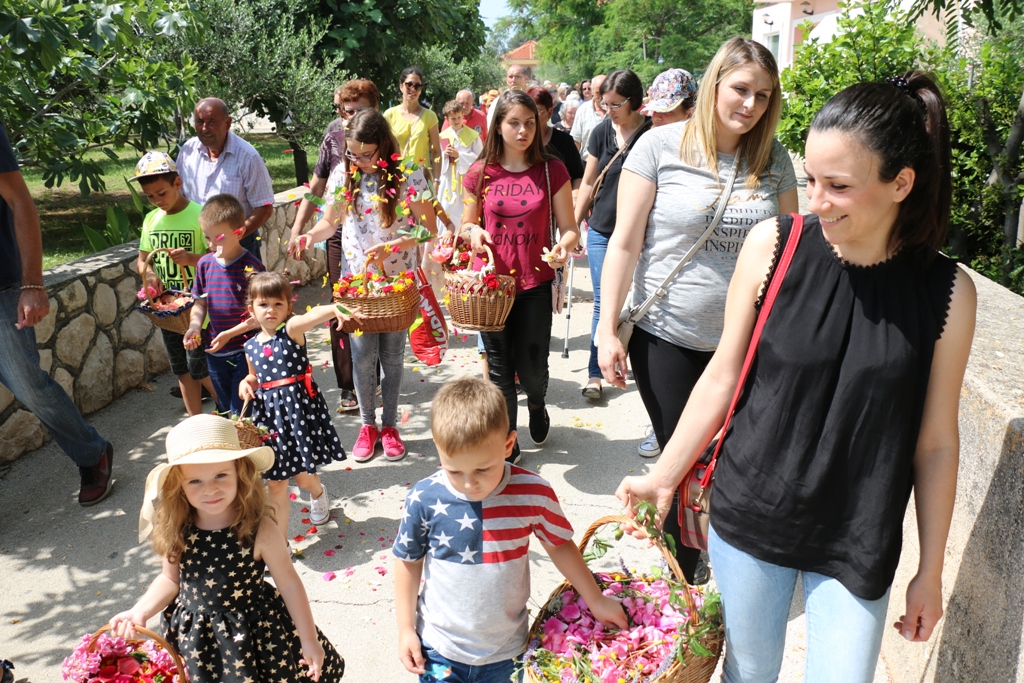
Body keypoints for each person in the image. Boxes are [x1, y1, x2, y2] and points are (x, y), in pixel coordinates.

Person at [614, 72, 975, 682]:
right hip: (752, 514)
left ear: (901, 183)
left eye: (839, 186)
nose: (816, 200)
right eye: (810, 180)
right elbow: (723, 375)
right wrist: (663, 476)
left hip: (859, 534)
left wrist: (930, 570)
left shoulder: (948, 293)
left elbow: (936, 442)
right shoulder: (774, 244)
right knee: (748, 676)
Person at [596, 37, 799, 583]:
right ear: (714, 85)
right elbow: (624, 243)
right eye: (740, 89)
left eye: (762, 95)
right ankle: (683, 583)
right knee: (680, 464)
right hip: (668, 336)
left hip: (748, 345)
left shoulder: (774, 159)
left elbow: (792, 249)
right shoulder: (659, 146)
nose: (750, 104)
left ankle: (722, 568)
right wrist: (606, 329)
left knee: (735, 467)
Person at [393, 378, 628, 680]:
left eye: (482, 469)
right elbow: (408, 561)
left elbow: (559, 545)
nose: (469, 483)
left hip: (506, 652)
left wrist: (595, 599)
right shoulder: (424, 498)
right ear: (439, 452)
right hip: (439, 647)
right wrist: (405, 628)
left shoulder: (533, 492)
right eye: (454, 470)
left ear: (508, 445)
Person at [111, 414, 345, 683]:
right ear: (179, 486)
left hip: (253, 638)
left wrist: (308, 639)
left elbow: (289, 584)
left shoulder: (260, 529)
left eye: (220, 475)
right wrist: (140, 611)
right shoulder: (178, 527)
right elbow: (170, 579)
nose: (210, 489)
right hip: (195, 641)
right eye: (195, 481)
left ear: (240, 474)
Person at [293, 110, 436, 463]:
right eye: (352, 154)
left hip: (396, 284)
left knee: (392, 356)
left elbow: (428, 229)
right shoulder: (344, 173)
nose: (358, 161)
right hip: (358, 283)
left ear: (383, 145)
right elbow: (330, 223)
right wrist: (310, 235)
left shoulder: (409, 173)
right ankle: (367, 426)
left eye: (366, 154)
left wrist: (395, 245)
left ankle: (390, 427)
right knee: (361, 356)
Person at [461, 91, 580, 464]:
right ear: (498, 125)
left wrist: (562, 248)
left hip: (535, 283)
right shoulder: (480, 172)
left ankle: (538, 402)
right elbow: (466, 225)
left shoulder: (551, 170)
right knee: (499, 372)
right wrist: (473, 233)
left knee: (531, 370)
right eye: (514, 123)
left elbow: (570, 228)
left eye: (530, 123)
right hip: (493, 288)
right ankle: (508, 443)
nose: (523, 130)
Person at [0, 121, 113, 506]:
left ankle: (91, 452)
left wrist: (32, 284)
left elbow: (20, 200)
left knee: (28, 385)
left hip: (2, 288)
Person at [290, 78, 381, 413]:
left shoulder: (383, 137)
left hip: (374, 235)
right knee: (340, 304)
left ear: (374, 109)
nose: (349, 117)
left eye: (358, 110)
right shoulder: (332, 135)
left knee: (375, 304)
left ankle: (371, 376)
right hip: (337, 229)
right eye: (345, 111)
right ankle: (348, 385)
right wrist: (299, 229)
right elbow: (316, 185)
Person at [239, 272, 352, 536]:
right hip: (269, 419)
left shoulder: (291, 330)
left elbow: (311, 316)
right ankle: (281, 544)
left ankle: (318, 492)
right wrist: (246, 383)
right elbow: (254, 376)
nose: (271, 310)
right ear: (251, 309)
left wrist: (334, 308)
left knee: (302, 477)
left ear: (288, 308)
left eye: (278, 304)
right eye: (263, 304)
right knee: (276, 483)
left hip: (296, 414)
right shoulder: (250, 346)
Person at [628, 67, 700, 456]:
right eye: (652, 110)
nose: (655, 117)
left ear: (691, 110)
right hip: (659, 305)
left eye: (666, 111)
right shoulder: (651, 145)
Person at [572, 70, 654, 402]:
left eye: (616, 104)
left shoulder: (653, 132)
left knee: (638, 302)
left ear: (635, 102)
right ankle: (595, 373)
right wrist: (573, 227)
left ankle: (637, 364)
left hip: (643, 234)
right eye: (604, 104)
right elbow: (588, 182)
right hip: (603, 230)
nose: (609, 111)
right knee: (604, 302)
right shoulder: (601, 131)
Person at [132, 151, 216, 417]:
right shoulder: (151, 220)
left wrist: (191, 259)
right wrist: (150, 275)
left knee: (200, 367)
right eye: (150, 196)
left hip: (201, 309)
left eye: (162, 193)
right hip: (170, 311)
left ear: (177, 183)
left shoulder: (200, 215)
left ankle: (231, 413)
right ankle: (196, 423)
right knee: (182, 369)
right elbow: (142, 260)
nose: (157, 200)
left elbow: (219, 258)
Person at [185, 194, 265, 416]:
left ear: (239, 232)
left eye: (218, 238)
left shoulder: (252, 268)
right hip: (215, 351)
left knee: (242, 410)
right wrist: (194, 326)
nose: (211, 245)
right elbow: (200, 302)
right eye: (207, 238)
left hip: (245, 350)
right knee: (223, 407)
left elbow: (260, 315)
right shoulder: (204, 264)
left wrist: (231, 334)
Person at [176, 98, 275, 262]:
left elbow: (264, 207)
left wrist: (233, 237)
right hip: (196, 246)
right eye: (200, 121)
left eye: (212, 121)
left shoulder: (248, 156)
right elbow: (179, 196)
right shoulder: (188, 151)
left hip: (238, 248)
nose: (205, 128)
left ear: (227, 123)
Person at [384, 67, 442, 183]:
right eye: (409, 85)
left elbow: (436, 151)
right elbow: (383, 148)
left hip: (422, 178)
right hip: (397, 177)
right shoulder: (389, 115)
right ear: (401, 86)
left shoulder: (430, 116)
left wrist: (436, 180)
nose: (413, 89)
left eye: (417, 86)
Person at [527, 86, 584, 190]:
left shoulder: (565, 141)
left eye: (537, 110)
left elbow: (577, 176)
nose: (531, 116)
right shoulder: (519, 141)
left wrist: (574, 196)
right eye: (528, 111)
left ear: (549, 113)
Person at [437, 101, 483, 228]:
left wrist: (459, 155)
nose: (457, 121)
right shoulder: (442, 136)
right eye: (453, 118)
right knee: (446, 207)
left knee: (464, 209)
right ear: (447, 119)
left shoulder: (473, 136)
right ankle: (446, 234)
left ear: (463, 115)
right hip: (448, 179)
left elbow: (480, 159)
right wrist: (445, 155)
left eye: (459, 117)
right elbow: (437, 159)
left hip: (465, 179)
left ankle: (463, 235)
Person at [570, 74, 607, 161]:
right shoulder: (582, 111)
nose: (602, 96)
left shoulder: (617, 110)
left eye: (605, 91)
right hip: (588, 163)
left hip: (613, 164)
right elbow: (576, 141)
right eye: (598, 93)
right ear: (592, 92)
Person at [487, 65, 530, 129]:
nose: (513, 80)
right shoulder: (499, 101)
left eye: (517, 77)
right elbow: (490, 123)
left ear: (526, 79)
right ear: (506, 80)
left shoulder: (531, 98)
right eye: (510, 77)